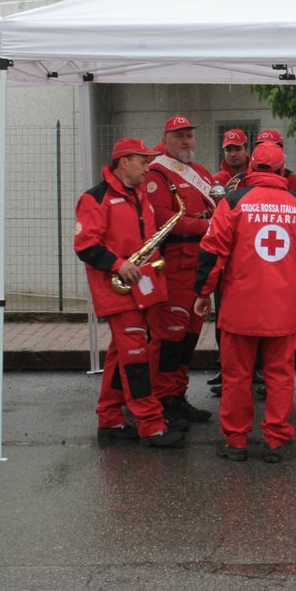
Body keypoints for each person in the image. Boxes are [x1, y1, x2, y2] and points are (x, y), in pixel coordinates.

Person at [193, 142, 296, 462]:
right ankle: (275, 441)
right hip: (283, 306)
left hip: (240, 307)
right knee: (280, 375)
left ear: (251, 167)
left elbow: (213, 251)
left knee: (236, 375)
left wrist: (202, 293)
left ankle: (236, 441)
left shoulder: (234, 201)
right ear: (283, 169)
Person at [75, 138, 186, 448]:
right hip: (116, 288)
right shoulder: (94, 198)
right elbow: (85, 246)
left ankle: (109, 419)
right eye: (143, 160)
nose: (148, 166)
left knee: (120, 355)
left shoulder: (141, 194)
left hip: (140, 284)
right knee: (136, 354)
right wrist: (118, 265)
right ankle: (151, 425)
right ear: (124, 162)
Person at [144, 115, 217, 429]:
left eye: (189, 135)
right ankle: (162, 400)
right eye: (179, 136)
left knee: (190, 337)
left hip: (200, 266)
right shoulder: (157, 173)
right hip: (175, 266)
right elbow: (162, 219)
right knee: (170, 338)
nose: (186, 141)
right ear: (166, 138)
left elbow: (216, 207)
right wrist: (207, 225)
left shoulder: (200, 171)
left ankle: (178, 395)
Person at [255, 129, 296, 202]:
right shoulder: (247, 179)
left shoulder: (295, 182)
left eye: (273, 147)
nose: (267, 150)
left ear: (281, 151)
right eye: (261, 147)